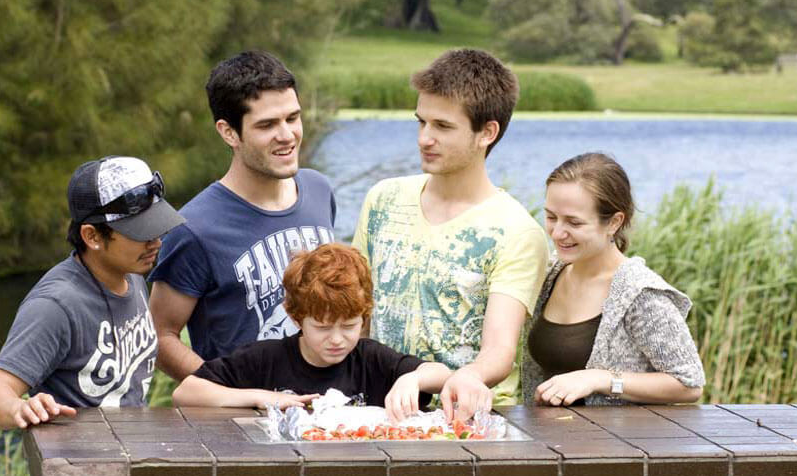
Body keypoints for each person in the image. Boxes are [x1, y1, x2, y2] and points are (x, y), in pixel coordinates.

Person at [0, 155, 183, 476]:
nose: (155, 240)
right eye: (139, 232)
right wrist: (20, 408)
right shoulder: (56, 304)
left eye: (156, 225)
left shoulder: (133, 275)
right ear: (92, 235)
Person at [351, 48, 549, 417]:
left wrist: (454, 377)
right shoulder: (383, 199)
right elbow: (357, 315)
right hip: (376, 413)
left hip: (467, 421)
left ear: (486, 132)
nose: (425, 138)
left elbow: (498, 352)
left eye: (442, 126)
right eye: (421, 122)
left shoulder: (517, 231)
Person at [149, 50, 336, 386]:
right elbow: (160, 337)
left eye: (292, 118)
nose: (287, 135)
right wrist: (227, 393)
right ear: (229, 132)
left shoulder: (319, 190)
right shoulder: (194, 227)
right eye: (267, 125)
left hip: (325, 413)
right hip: (242, 428)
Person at [172, 243, 474, 423]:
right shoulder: (266, 358)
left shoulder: (369, 358)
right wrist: (261, 397)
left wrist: (414, 377)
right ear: (297, 318)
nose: (337, 339)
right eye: (322, 327)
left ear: (364, 316)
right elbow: (186, 392)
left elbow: (443, 375)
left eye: (349, 325)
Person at [522, 152, 704, 406]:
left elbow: (689, 384)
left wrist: (600, 379)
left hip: (617, 444)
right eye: (551, 217)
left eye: (574, 222)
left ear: (614, 222)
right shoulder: (551, 273)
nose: (557, 232)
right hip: (549, 441)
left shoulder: (640, 293)